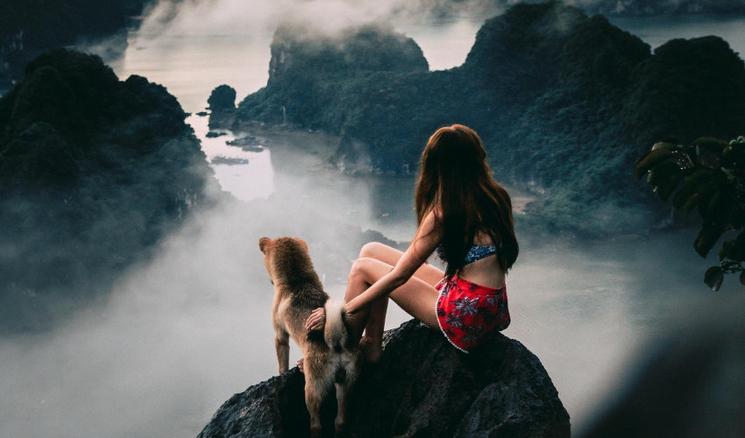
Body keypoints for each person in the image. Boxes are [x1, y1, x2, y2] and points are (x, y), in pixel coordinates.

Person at [301, 123, 518, 370]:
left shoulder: (444, 213)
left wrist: (339, 312)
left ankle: (337, 353)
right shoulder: (497, 197)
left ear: (437, 167)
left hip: (465, 318)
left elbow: (399, 277)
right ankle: (371, 344)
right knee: (371, 250)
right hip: (491, 307)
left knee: (362, 269)